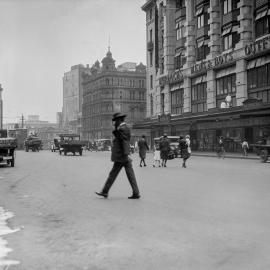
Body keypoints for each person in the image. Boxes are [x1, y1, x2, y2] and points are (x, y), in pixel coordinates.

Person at [95, 113, 140, 199]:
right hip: (123, 156)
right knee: (130, 175)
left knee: (113, 175)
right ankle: (136, 192)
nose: (114, 123)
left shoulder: (122, 129)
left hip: (121, 156)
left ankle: (105, 191)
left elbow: (124, 142)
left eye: (115, 121)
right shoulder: (123, 128)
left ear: (119, 120)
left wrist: (126, 154)